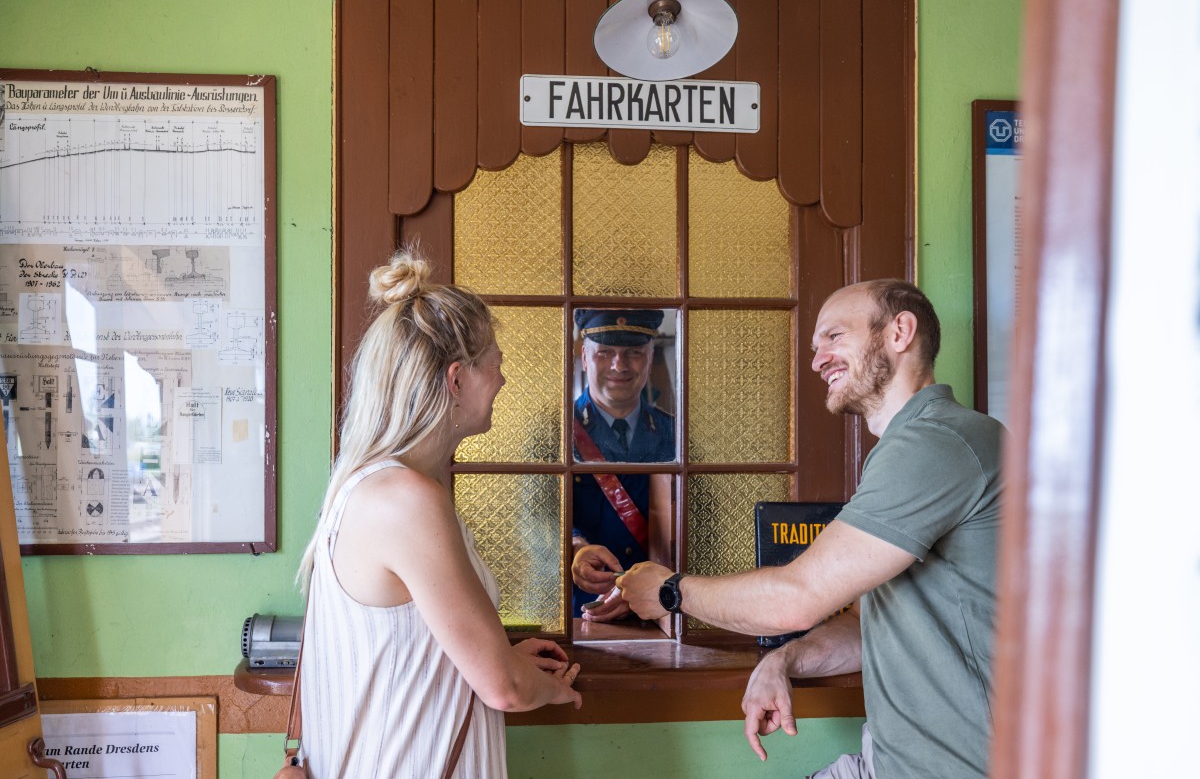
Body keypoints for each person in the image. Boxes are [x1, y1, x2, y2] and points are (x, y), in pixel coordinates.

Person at [618, 280, 1004, 779]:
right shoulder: (914, 445)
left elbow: (794, 598)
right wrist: (788, 658)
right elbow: (873, 625)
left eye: (834, 337)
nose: (818, 359)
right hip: (891, 763)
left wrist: (669, 592)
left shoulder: (938, 443)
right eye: (816, 345)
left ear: (900, 332)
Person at [296, 249, 582, 779]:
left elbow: (407, 648)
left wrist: (502, 651)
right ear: (456, 380)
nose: (502, 381)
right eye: (494, 365)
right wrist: (553, 687)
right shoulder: (408, 501)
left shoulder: (375, 488)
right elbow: (506, 689)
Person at [570, 308, 674, 621]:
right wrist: (575, 548)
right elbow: (534, 521)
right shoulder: (553, 434)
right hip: (580, 614)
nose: (619, 365)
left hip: (663, 613)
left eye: (633, 352)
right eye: (605, 352)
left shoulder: (676, 434)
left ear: (650, 355)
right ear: (585, 359)